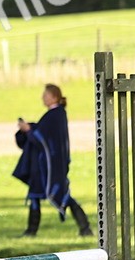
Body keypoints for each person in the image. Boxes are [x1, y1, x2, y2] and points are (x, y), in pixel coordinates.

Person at [12, 83, 93, 237]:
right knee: (35, 194)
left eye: (46, 95)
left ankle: (85, 228)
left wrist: (28, 130)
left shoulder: (56, 115)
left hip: (50, 166)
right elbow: (42, 133)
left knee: (62, 194)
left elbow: (43, 139)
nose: (43, 97)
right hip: (42, 166)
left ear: (54, 97)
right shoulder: (53, 115)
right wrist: (30, 128)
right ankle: (31, 231)